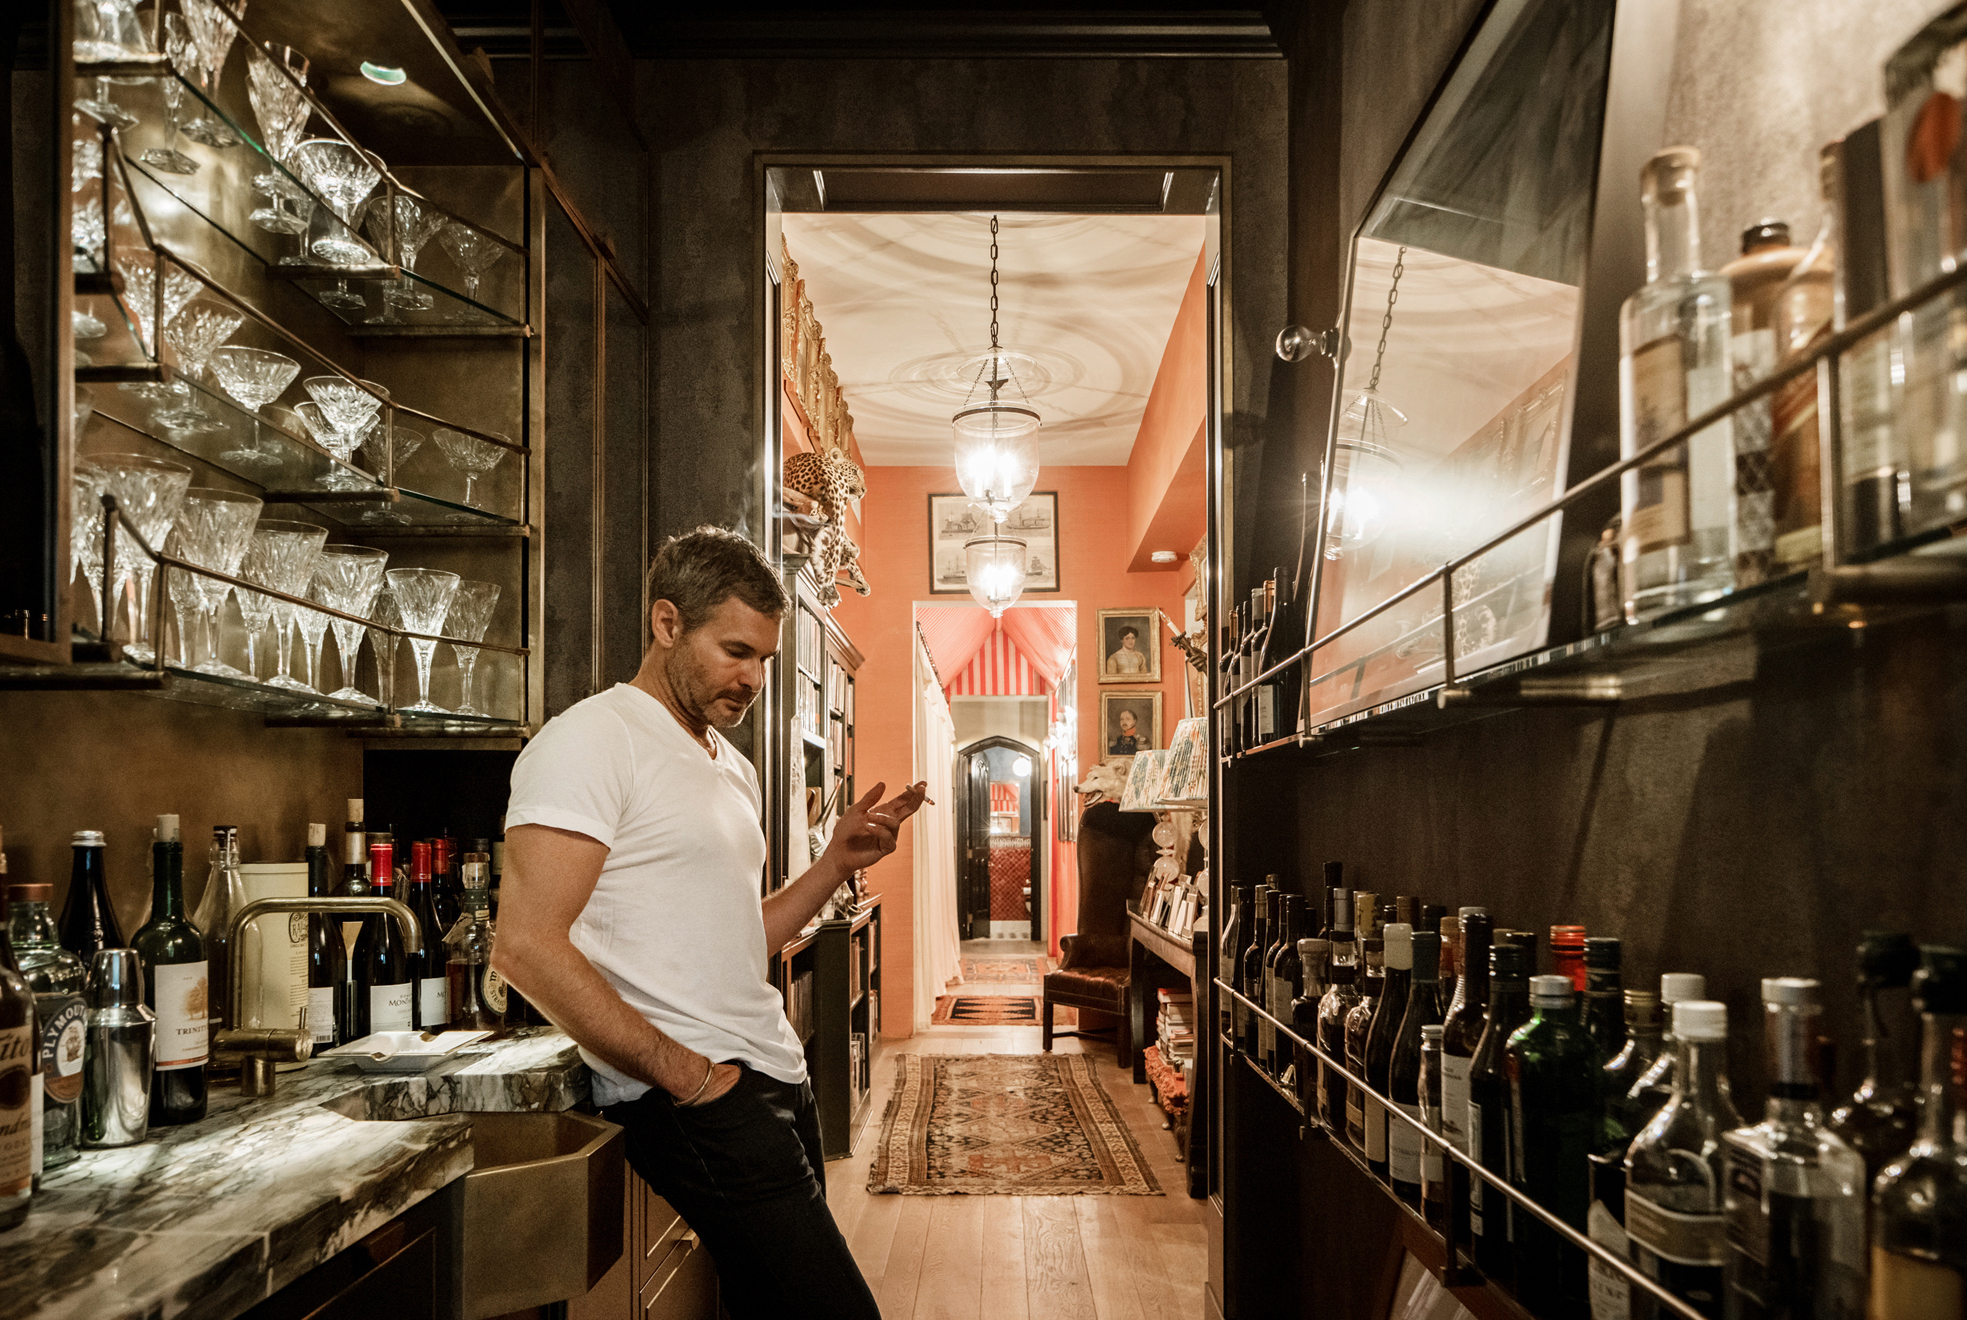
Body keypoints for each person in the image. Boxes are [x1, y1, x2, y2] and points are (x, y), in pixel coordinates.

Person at [494, 526, 927, 1320]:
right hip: (696, 1095)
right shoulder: (592, 740)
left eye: (763, 658)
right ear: (666, 623)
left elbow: (737, 941)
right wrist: (691, 1079)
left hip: (777, 1078)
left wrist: (835, 863)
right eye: (735, 651)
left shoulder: (732, 766)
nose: (753, 678)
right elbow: (523, 945)